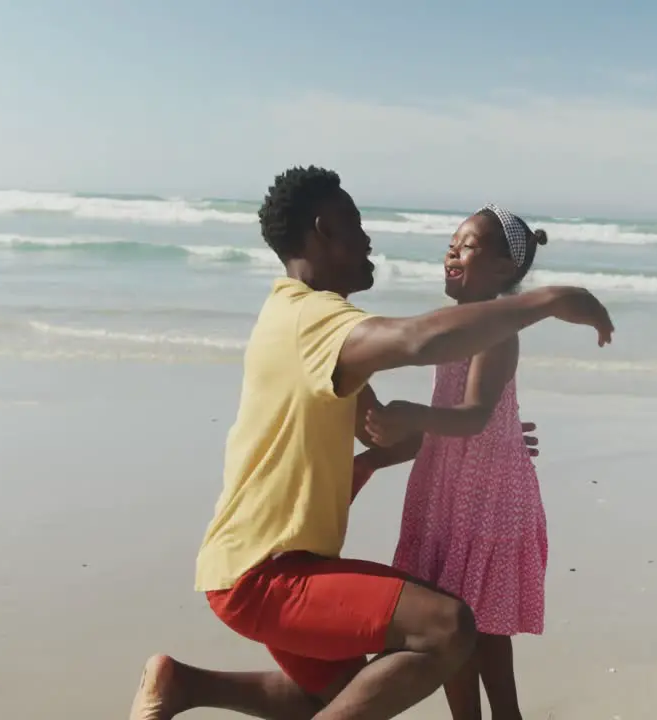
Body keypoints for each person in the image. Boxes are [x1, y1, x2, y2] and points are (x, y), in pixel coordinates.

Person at [128, 166, 613, 720]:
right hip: (267, 574)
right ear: (323, 231)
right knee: (448, 626)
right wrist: (549, 300)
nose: (369, 239)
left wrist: (484, 436)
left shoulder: (294, 315)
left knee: (343, 693)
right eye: (355, 225)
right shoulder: (317, 321)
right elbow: (416, 339)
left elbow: (384, 427)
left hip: (262, 564)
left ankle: (183, 685)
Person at [360, 205, 552, 720]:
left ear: (502, 270)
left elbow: (471, 416)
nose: (451, 250)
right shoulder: (452, 326)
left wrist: (409, 416)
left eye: (466, 245)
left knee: (485, 632)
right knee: (452, 626)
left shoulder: (496, 331)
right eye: (452, 241)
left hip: (487, 499)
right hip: (448, 491)